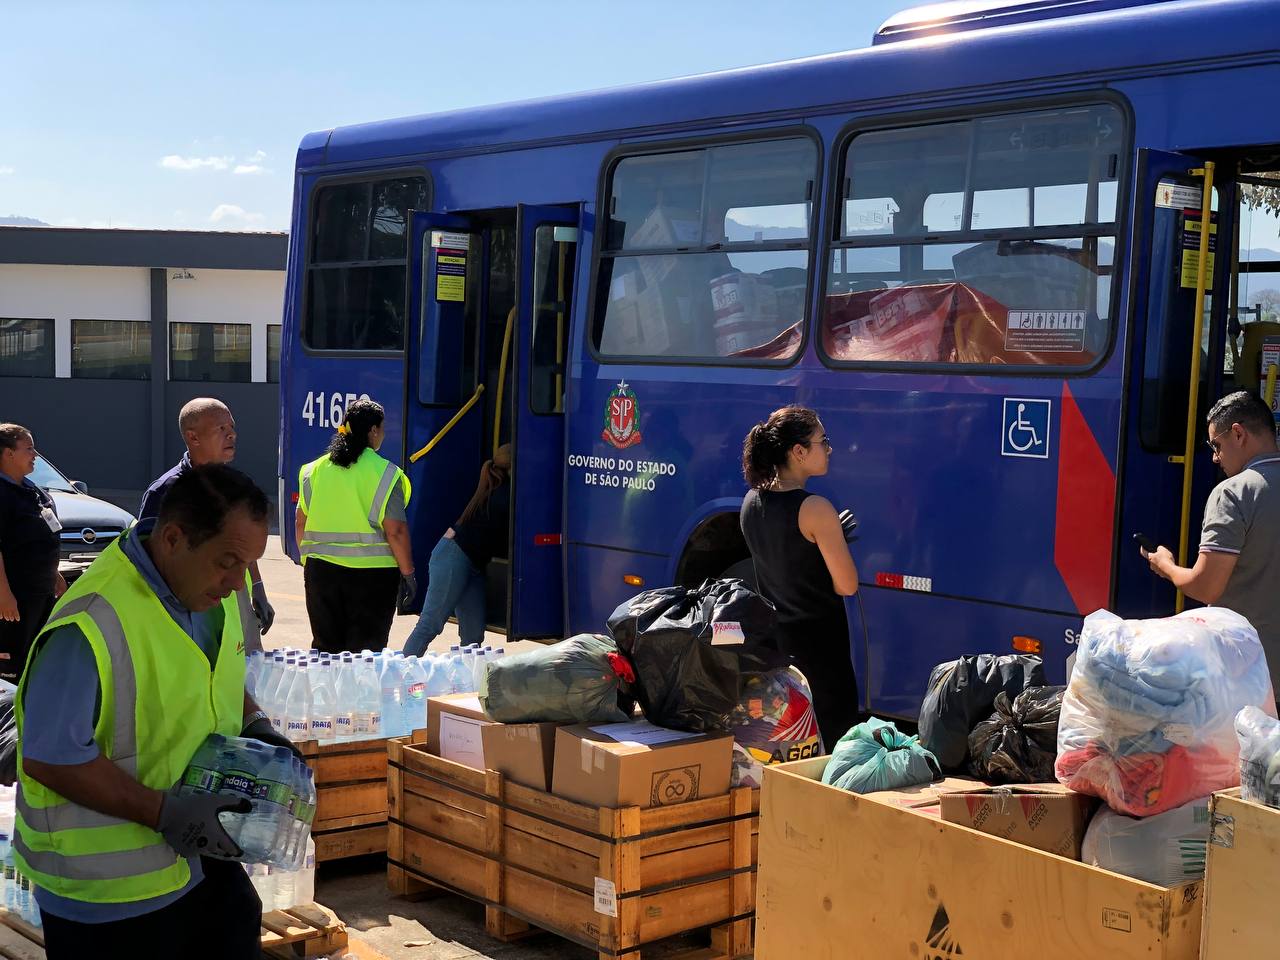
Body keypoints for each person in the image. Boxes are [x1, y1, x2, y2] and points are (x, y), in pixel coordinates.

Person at [14, 465, 297, 959]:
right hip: (110, 897)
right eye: (228, 562)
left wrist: (257, 725)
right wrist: (164, 812)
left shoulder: (210, 590)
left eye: (247, 564)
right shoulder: (90, 625)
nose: (237, 583)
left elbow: (217, 675)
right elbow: (50, 756)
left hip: (197, 858)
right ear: (172, 538)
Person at [1143, 390, 1280, 693]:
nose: (1215, 458)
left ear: (1238, 433)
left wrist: (1166, 566)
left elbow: (1205, 586)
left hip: (1248, 674)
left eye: (1216, 445)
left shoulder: (1233, 493)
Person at [739, 406, 860, 750]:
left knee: (794, 746)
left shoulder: (751, 502)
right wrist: (834, 539)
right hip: (823, 652)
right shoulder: (817, 509)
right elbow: (847, 585)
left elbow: (785, 561)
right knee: (832, 747)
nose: (830, 448)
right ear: (798, 452)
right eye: (823, 441)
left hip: (781, 649)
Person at [140, 397, 274, 641]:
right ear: (193, 437)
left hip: (233, 606)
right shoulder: (165, 491)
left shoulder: (236, 486)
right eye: (221, 429)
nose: (231, 435)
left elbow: (242, 546)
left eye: (232, 428)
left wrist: (256, 586)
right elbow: (148, 562)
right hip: (186, 609)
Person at [296, 399, 414, 654]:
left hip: (321, 573)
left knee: (326, 651)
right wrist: (408, 573)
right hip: (372, 578)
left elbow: (300, 522)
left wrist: (310, 561)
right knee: (365, 654)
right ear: (373, 431)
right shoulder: (385, 473)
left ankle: (328, 695)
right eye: (382, 429)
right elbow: (396, 530)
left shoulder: (313, 470)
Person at [404, 445, 511, 656]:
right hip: (455, 558)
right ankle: (401, 675)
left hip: (468, 561)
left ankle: (465, 680)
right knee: (430, 625)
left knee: (473, 635)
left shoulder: (496, 487)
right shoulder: (505, 495)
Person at [0, 424, 67, 683]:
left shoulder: (32, 491)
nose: (35, 455)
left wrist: (54, 574)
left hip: (39, 593)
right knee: (11, 668)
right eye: (28, 449)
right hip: (13, 599)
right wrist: (3, 595)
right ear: (8, 454)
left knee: (34, 660)